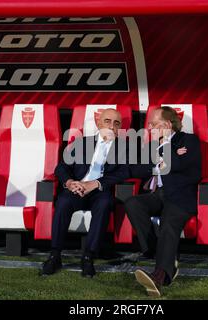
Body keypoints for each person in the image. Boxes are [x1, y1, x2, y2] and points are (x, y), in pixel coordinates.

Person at [42, 108, 129, 278]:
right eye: (107, 121)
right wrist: (70, 182)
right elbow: (61, 167)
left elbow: (124, 173)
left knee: (104, 204)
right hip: (77, 188)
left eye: (116, 123)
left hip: (100, 191)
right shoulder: (83, 143)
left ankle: (88, 256)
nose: (111, 126)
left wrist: (95, 183)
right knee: (63, 202)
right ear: (98, 123)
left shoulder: (126, 148)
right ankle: (55, 255)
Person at [125, 106, 201, 297]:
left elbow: (185, 167)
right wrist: (164, 161)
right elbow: (137, 169)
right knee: (133, 203)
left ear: (167, 124)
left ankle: (160, 276)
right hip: (157, 194)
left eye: (153, 123)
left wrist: (167, 154)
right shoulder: (153, 145)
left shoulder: (189, 140)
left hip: (180, 196)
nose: (149, 127)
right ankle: (155, 250)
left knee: (169, 223)